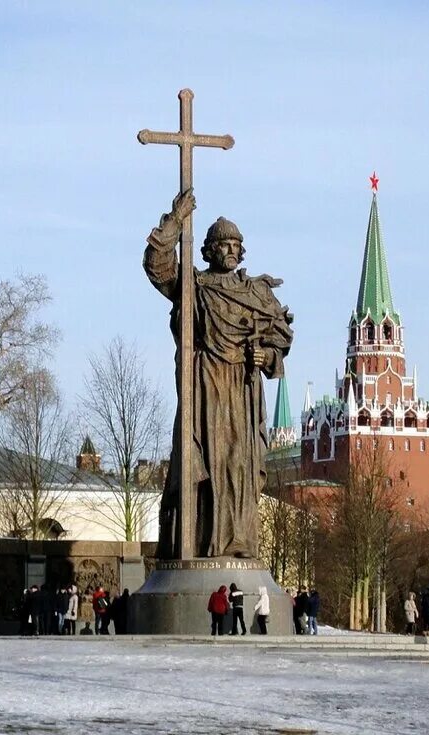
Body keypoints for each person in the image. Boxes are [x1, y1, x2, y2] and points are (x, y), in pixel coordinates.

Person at [144, 190, 294, 559]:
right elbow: (158, 267)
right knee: (203, 467)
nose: (230, 250)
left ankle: (237, 543)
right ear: (209, 250)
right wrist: (175, 220)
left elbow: (280, 342)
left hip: (241, 392)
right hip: (205, 389)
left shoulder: (257, 294)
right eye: (223, 244)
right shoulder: (195, 287)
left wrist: (266, 355)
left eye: (235, 245)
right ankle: (200, 545)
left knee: (238, 465)